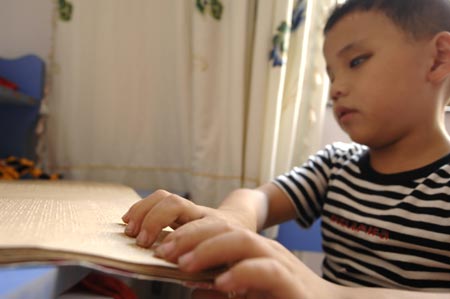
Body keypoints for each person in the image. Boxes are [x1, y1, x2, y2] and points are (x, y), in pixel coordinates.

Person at [122, 0, 450, 297]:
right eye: (331, 74)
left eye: (357, 61)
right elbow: (261, 198)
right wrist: (234, 219)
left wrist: (329, 294)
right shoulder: (335, 166)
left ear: (438, 58)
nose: (336, 88)